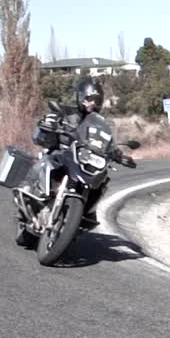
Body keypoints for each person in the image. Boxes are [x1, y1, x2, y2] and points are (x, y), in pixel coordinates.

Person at [23, 77, 113, 229]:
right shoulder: (65, 112)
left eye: (97, 100)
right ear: (80, 96)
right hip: (61, 153)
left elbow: (107, 142)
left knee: (102, 178)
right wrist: (49, 122)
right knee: (48, 159)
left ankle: (87, 210)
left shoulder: (100, 123)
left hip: (82, 160)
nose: (93, 103)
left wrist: (117, 152)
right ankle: (28, 189)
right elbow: (44, 129)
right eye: (89, 98)